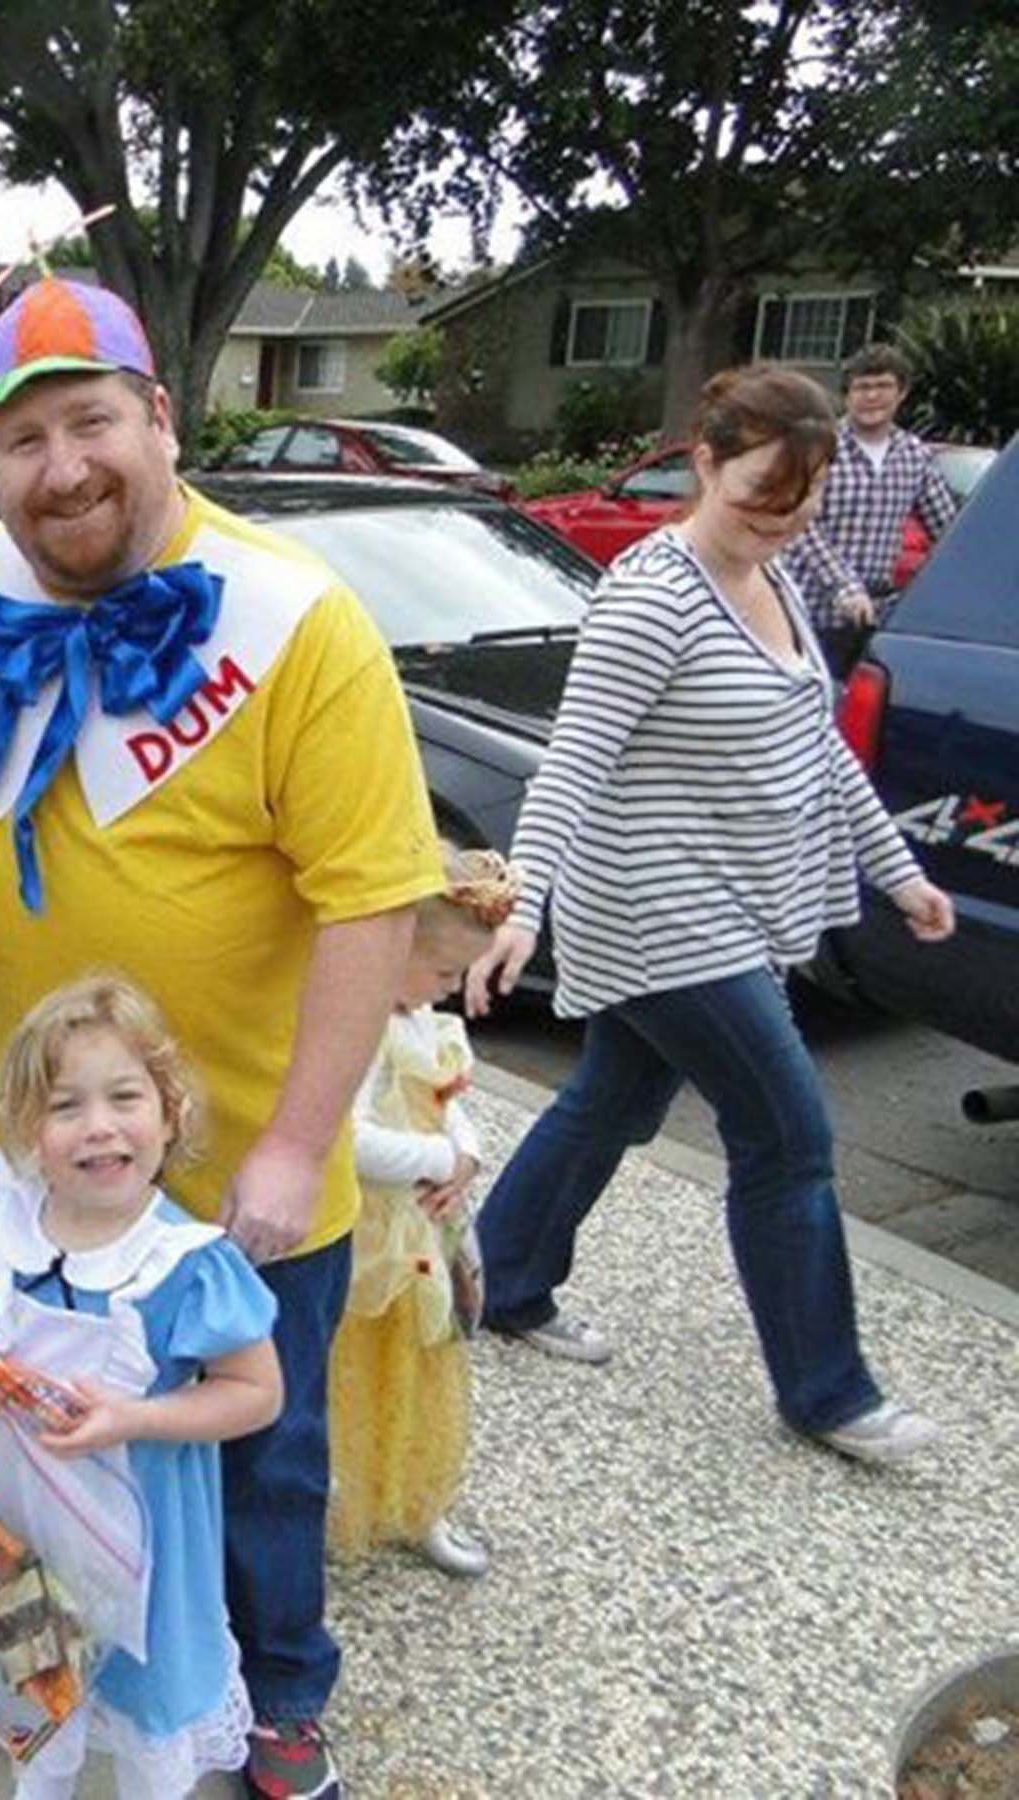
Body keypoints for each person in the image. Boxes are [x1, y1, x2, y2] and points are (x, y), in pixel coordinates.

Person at [0, 273, 441, 1800]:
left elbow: (373, 902)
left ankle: (275, 1694)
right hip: (30, 1156)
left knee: (251, 1468)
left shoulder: (294, 619)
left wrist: (296, 1145)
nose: (62, 468)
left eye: (92, 421)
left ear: (163, 419)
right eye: (21, 439)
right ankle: (37, 1667)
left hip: (237, 1175)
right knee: (23, 1438)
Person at [466, 363, 958, 1467]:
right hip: (655, 913)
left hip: (733, 905)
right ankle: (828, 1392)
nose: (776, 523)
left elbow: (817, 744)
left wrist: (900, 872)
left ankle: (501, 1278)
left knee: (611, 1099)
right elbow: (573, 765)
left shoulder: (773, 577)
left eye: (799, 504)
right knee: (788, 1135)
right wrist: (522, 905)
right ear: (702, 464)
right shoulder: (652, 599)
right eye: (755, 499)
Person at [0, 974, 283, 1799]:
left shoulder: (186, 1263)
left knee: (144, 1710)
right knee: (33, 1694)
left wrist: (139, 1416)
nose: (100, 1127)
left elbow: (256, 1392)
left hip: (147, 1536)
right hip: (14, 1523)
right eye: (65, 1106)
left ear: (169, 1109)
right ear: (27, 1129)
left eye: (124, 1097)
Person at [329, 848, 516, 1582]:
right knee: (353, 1371)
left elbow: (451, 1102)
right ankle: (349, 1497)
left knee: (426, 1365)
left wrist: (466, 1150)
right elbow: (347, 1139)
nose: (447, 990)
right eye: (441, 973)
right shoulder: (362, 1023)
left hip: (423, 1237)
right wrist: (441, 1160)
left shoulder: (419, 1018)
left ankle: (419, 1502)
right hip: (371, 1237)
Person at [779, 343, 961, 676]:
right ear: (848, 395)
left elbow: (949, 531)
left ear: (901, 393)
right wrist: (844, 586)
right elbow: (798, 524)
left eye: (882, 387)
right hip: (805, 612)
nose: (872, 397)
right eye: (862, 387)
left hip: (870, 620)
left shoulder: (915, 455)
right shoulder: (819, 445)